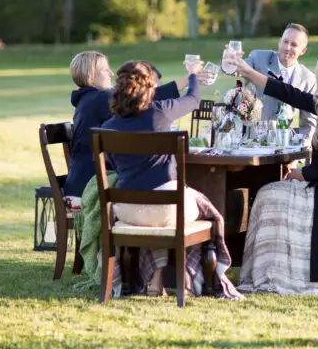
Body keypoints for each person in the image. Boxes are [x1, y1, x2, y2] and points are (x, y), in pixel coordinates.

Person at [232, 50, 318, 295]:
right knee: (268, 192)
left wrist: (304, 174)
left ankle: (280, 273)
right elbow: (290, 94)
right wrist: (249, 73)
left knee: (269, 194)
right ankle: (266, 269)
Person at [101, 61, 240, 299]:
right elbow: (194, 99)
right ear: (150, 88)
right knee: (197, 206)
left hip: (126, 210)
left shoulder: (107, 127)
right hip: (166, 209)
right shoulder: (160, 112)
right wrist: (193, 76)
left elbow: (113, 166)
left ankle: (156, 280)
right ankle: (191, 276)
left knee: (165, 209)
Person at [66, 52, 209, 198]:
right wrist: (191, 76)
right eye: (104, 69)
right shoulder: (98, 99)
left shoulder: (89, 99)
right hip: (88, 187)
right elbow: (146, 95)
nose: (110, 73)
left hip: (90, 182)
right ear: (90, 75)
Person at [235, 23, 317, 140]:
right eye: (285, 41)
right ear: (279, 42)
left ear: (303, 50)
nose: (287, 47)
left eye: (294, 44)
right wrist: (230, 61)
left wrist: (293, 146)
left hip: (283, 146)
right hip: (250, 140)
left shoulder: (309, 79)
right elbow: (238, 68)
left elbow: (309, 127)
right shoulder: (259, 57)